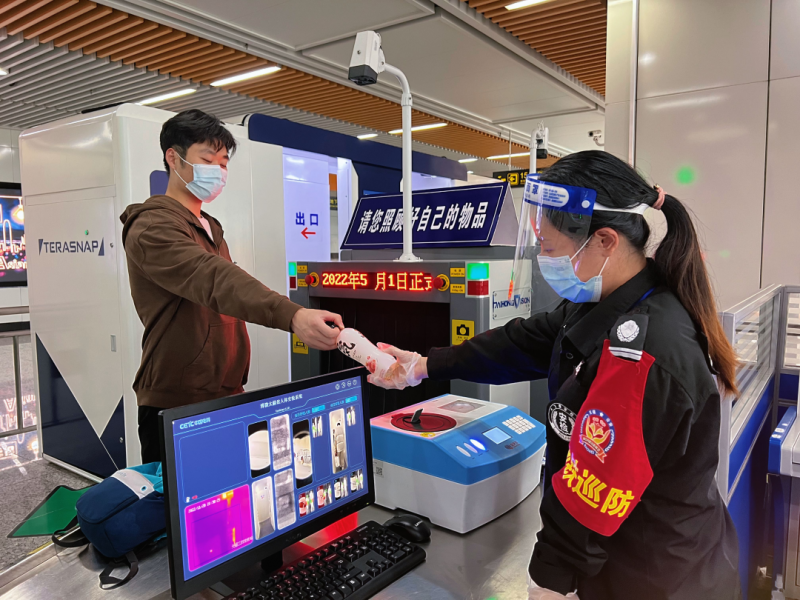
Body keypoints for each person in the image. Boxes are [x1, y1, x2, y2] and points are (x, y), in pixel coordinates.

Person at [368, 150, 741, 599]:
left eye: (548, 248)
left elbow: (591, 496)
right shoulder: (610, 301)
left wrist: (549, 584)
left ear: (605, 241)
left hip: (652, 576)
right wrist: (424, 365)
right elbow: (524, 341)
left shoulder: (640, 354)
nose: (544, 259)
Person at [121, 109, 343, 464]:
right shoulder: (151, 227)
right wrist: (292, 315)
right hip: (177, 401)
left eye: (223, 163)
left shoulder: (208, 226)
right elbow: (213, 279)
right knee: (184, 497)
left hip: (224, 392)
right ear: (173, 158)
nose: (218, 171)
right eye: (208, 160)